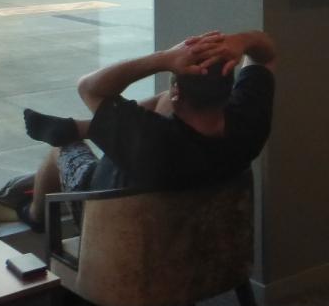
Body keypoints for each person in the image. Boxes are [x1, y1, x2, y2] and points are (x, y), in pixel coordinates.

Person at [20, 29, 276, 233]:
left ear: (179, 92)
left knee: (60, 151)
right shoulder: (249, 121)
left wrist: (164, 58)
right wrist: (241, 41)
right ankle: (84, 127)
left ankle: (34, 216)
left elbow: (87, 87)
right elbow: (266, 55)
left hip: (109, 225)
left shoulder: (151, 138)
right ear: (228, 90)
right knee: (163, 100)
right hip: (200, 244)